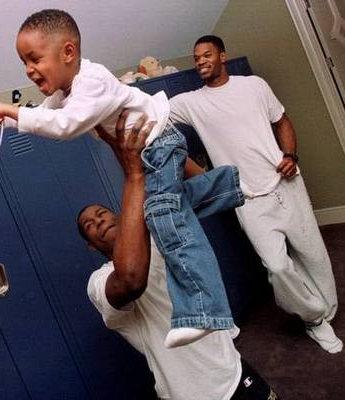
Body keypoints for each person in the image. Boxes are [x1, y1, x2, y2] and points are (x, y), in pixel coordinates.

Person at [0, 8, 244, 347]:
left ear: (68, 52)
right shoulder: (67, 90)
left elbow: (65, 126)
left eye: (34, 59)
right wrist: (5, 120)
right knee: (162, 207)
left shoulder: (92, 81)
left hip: (158, 144)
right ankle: (229, 186)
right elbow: (44, 114)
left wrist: (8, 109)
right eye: (24, 63)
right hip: (150, 149)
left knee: (165, 217)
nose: (29, 70)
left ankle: (204, 308)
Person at [79, 111, 280, 399]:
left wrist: (161, 149)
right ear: (91, 245)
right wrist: (134, 174)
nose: (98, 221)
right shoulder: (99, 283)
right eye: (90, 225)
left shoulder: (157, 231)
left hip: (233, 371)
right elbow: (131, 279)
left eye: (101, 214)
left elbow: (179, 192)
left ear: (123, 216)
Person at [169, 35, 342, 354]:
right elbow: (151, 115)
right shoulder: (190, 103)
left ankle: (328, 308)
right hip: (247, 198)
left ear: (223, 55)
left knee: (312, 254)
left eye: (207, 55)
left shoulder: (254, 86)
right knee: (277, 266)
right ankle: (315, 319)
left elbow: (283, 121)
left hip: (285, 185)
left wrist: (290, 155)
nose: (201, 61)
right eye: (196, 58)